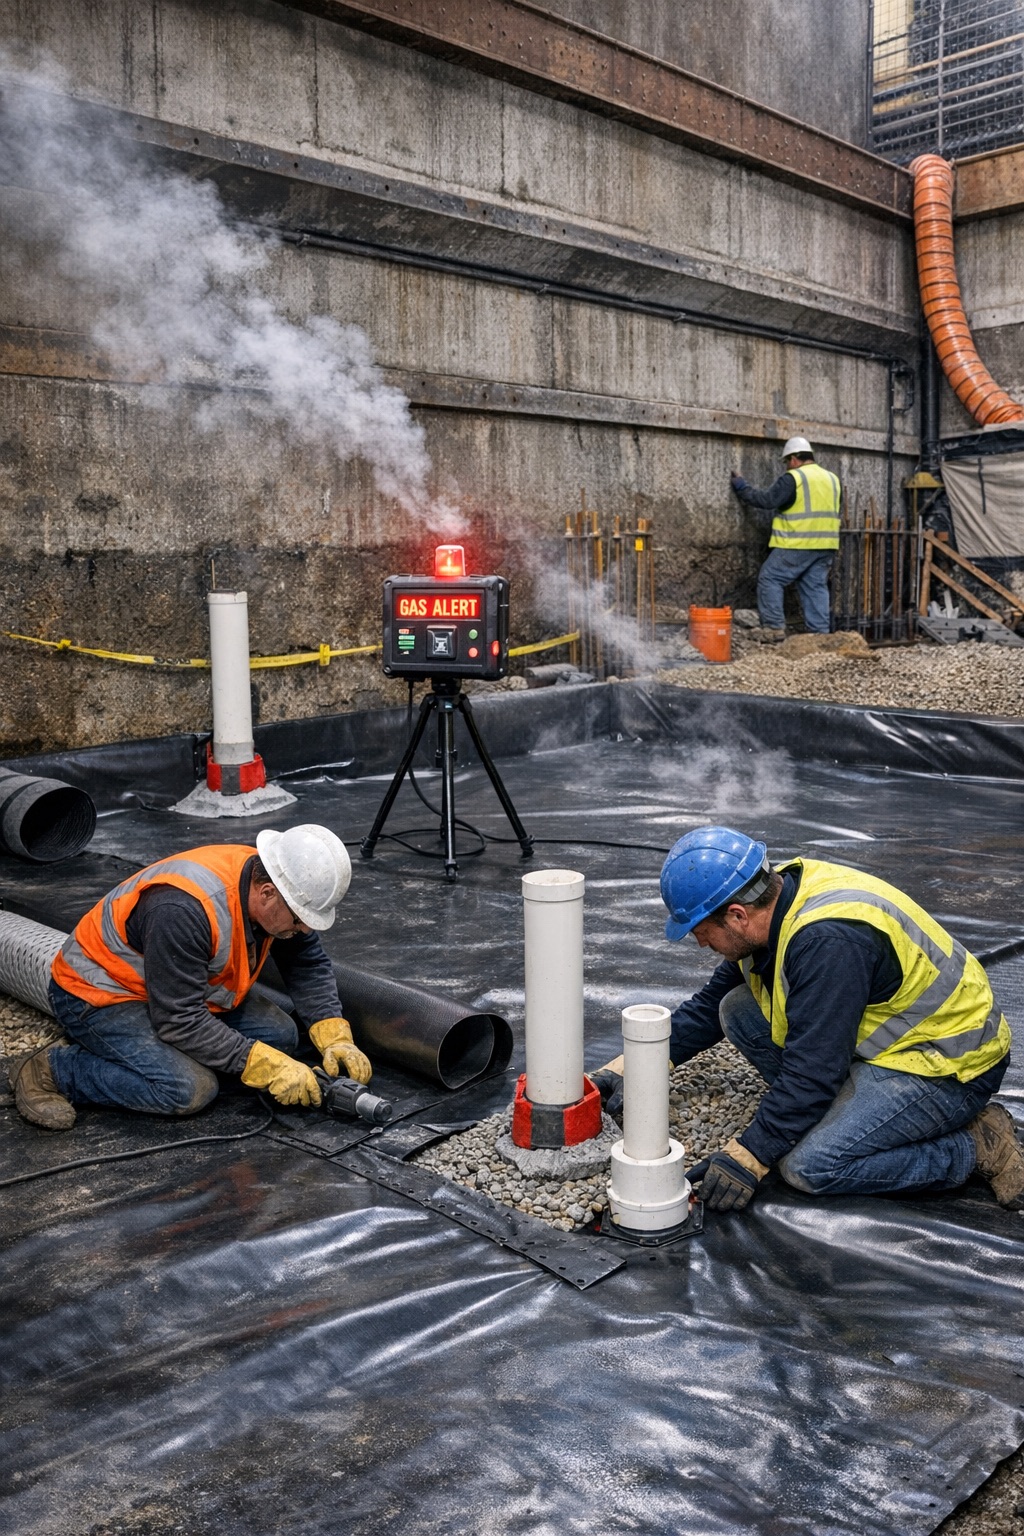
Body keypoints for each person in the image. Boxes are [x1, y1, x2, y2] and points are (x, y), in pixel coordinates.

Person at [597, 826, 1024, 1214]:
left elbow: (813, 1071)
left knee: (810, 1166)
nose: (699, 942)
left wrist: (750, 1155)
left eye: (699, 930)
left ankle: (976, 1146)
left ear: (736, 915)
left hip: (945, 1066)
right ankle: (848, 1113)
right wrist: (632, 1068)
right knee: (736, 1009)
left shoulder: (828, 943)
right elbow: (711, 1005)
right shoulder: (773, 901)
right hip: (886, 1044)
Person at [11, 824, 372, 1130]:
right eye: (299, 919)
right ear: (266, 894)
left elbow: (307, 964)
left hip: (175, 991)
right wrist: (259, 1064)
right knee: (189, 1089)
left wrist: (334, 1034)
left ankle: (164, 1057)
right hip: (98, 994)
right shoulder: (183, 909)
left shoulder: (277, 882)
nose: (305, 928)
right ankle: (55, 1071)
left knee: (281, 1037)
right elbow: (179, 1020)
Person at [730, 436, 841, 641]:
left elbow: (767, 500)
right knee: (814, 585)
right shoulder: (832, 478)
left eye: (786, 463)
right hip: (827, 544)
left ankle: (773, 628)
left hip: (798, 542)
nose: (786, 468)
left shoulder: (794, 478)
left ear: (793, 459)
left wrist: (742, 487)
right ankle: (819, 635)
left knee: (770, 577)